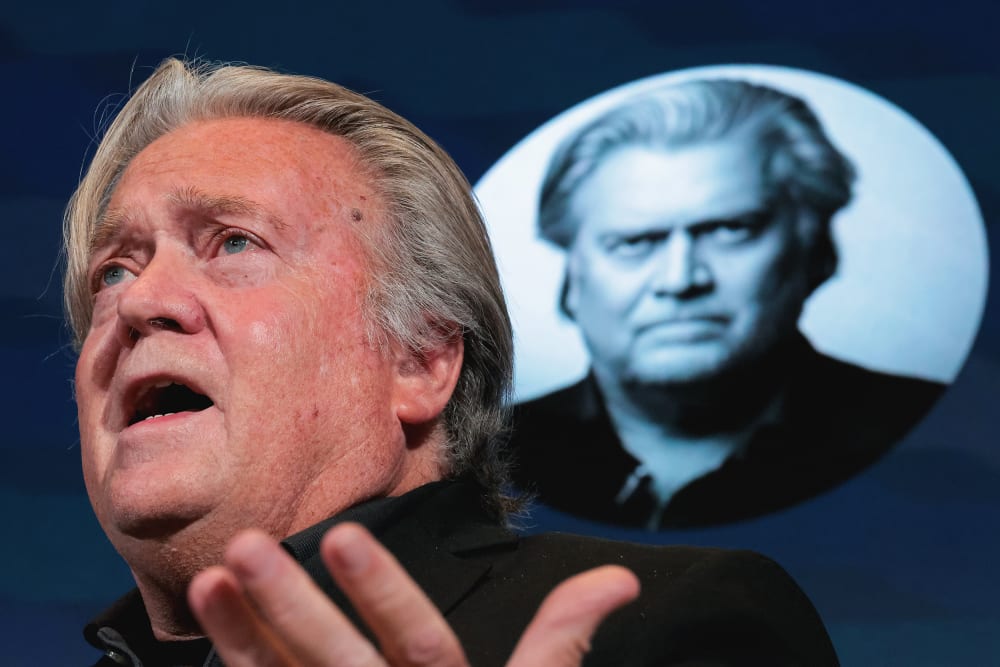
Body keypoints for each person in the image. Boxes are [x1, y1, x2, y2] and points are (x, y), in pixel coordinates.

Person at [66, 59, 839, 666]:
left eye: (233, 241)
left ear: (422, 358)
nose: (140, 303)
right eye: (116, 270)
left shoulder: (667, 630)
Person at [510, 79, 945, 530]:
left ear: (816, 253)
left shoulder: (932, 443)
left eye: (731, 229)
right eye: (634, 242)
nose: (680, 280)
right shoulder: (482, 452)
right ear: (572, 279)